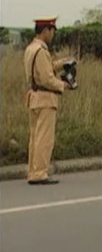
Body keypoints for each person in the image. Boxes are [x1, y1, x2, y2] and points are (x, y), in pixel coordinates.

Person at [23, 16, 74, 185]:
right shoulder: (42, 50)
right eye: (52, 31)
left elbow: (44, 69)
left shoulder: (31, 49)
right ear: (46, 30)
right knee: (44, 138)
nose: (53, 35)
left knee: (35, 137)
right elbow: (46, 79)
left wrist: (62, 63)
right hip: (45, 98)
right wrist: (65, 85)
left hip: (34, 97)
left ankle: (33, 170)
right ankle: (40, 173)